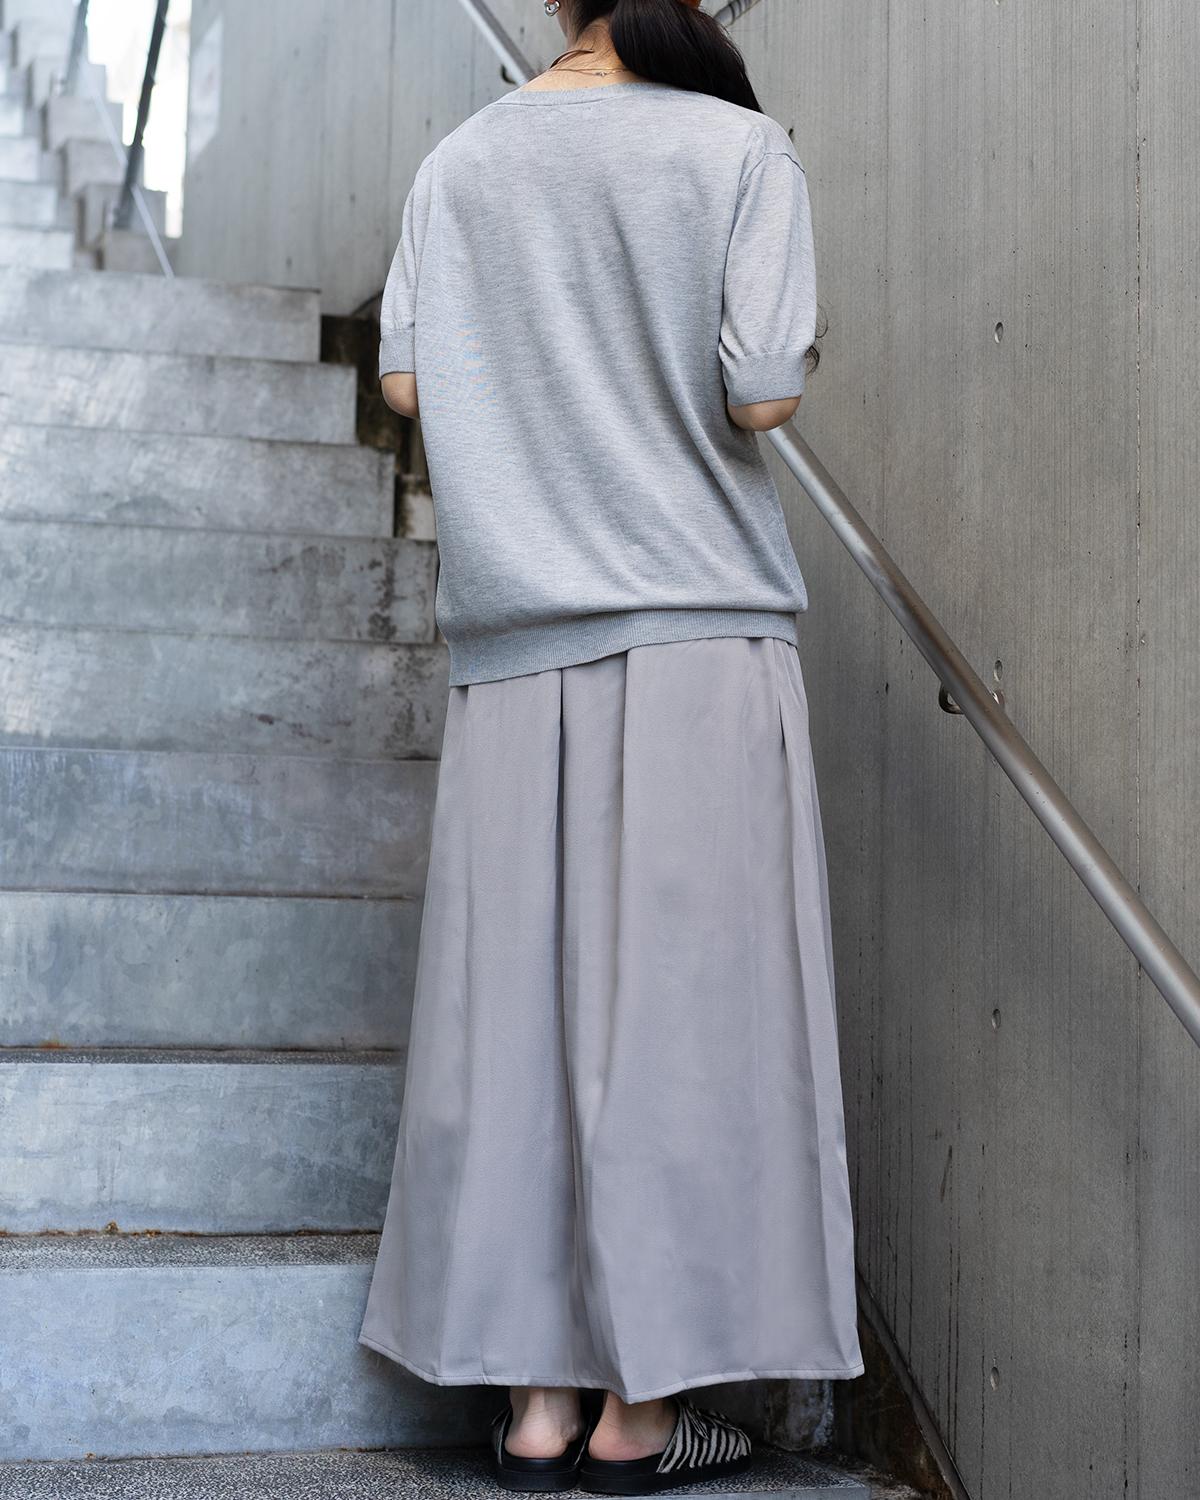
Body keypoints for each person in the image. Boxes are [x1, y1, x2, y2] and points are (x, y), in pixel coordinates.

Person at [357, 0, 865, 1491]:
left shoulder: (460, 162)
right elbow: (761, 389)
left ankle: (534, 1409)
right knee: (682, 1023)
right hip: (696, 627)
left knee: (517, 1021)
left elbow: (409, 386)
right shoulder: (739, 150)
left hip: (516, 642)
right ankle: (642, 1419)